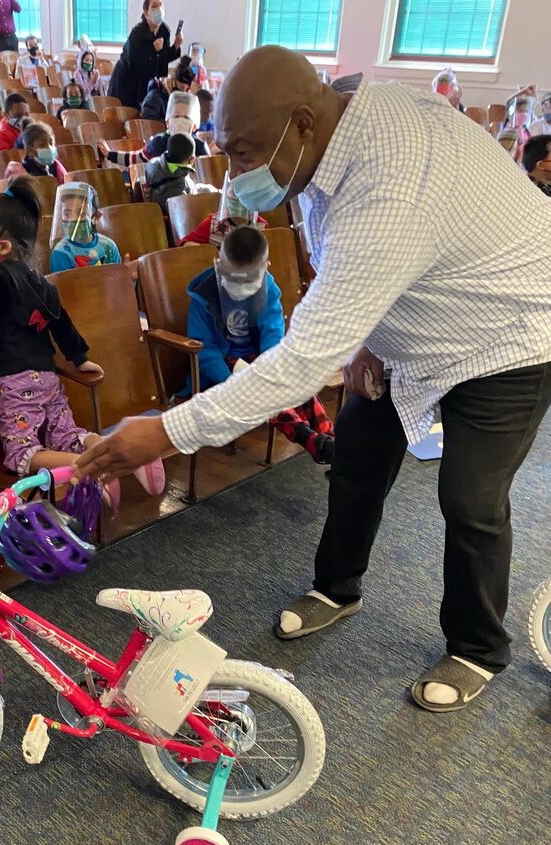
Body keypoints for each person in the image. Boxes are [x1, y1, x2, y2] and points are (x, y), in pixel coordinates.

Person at [75, 45, 551, 714]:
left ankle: (477, 647)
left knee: (470, 498)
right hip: (419, 317)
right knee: (357, 457)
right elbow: (353, 266)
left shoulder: (389, 181)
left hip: (512, 332)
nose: (237, 177)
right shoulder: (347, 127)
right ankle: (337, 587)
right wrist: (365, 338)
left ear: (303, 120)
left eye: (244, 153)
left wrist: (164, 433)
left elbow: (299, 363)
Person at [0, 182, 164, 499]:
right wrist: (79, 358)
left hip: (17, 381)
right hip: (47, 376)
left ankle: (88, 467)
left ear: (2, 246)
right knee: (67, 433)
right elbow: (62, 322)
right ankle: (122, 453)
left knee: (21, 452)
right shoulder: (40, 280)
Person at [185, 225, 334, 461]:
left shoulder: (268, 289)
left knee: (294, 382)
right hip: (225, 366)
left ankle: (328, 437)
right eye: (234, 279)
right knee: (264, 393)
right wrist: (232, 381)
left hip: (259, 360)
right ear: (219, 264)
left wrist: (270, 370)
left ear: (265, 268)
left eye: (249, 281)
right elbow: (205, 348)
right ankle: (308, 437)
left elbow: (273, 336)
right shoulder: (204, 295)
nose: (240, 289)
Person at [100, 90, 208, 168]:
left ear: (195, 125)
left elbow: (208, 171)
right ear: (167, 121)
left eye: (186, 117)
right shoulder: (159, 143)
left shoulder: (200, 147)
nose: (180, 120)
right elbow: (136, 158)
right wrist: (110, 154)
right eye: (176, 116)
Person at [108, 0, 183, 109]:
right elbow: (134, 63)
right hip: (128, 84)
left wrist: (176, 45)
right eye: (154, 6)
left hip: (148, 83)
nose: (159, 9)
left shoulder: (164, 30)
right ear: (146, 13)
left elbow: (163, 58)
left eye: (160, 5)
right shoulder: (137, 33)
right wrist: (153, 49)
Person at [178, 171, 269, 248]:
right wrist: (210, 253)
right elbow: (185, 244)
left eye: (244, 195)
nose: (238, 198)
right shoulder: (212, 224)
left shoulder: (261, 225)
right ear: (226, 197)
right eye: (234, 194)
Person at [50, 181, 121, 271]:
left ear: (96, 217)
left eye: (82, 214)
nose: (73, 220)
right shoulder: (61, 253)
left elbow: (117, 279)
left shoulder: (108, 246)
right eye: (67, 214)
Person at [144, 131, 196, 215]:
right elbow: (185, 214)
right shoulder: (179, 186)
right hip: (174, 220)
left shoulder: (154, 165)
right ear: (192, 159)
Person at [141, 56, 195, 121]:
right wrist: (171, 123)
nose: (183, 92)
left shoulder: (182, 100)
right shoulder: (155, 97)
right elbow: (148, 122)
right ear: (173, 80)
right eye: (181, 87)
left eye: (186, 90)